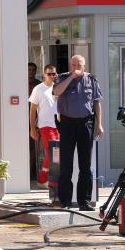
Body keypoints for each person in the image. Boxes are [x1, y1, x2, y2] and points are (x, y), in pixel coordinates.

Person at [52, 55, 103, 211]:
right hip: (67, 123)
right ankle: (65, 201)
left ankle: (84, 201)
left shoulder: (92, 80)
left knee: (85, 165)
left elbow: (97, 103)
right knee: (66, 164)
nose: (75, 67)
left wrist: (99, 124)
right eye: (73, 64)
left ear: (84, 66)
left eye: (78, 65)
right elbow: (56, 92)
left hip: (86, 123)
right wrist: (71, 77)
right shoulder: (62, 78)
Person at [29, 64, 60, 195]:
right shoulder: (38, 89)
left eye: (54, 74)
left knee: (55, 154)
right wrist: (32, 128)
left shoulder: (59, 87)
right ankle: (50, 182)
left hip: (58, 126)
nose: (52, 76)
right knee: (54, 153)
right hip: (45, 126)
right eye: (49, 74)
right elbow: (32, 110)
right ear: (44, 75)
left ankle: (44, 180)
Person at [28, 62, 41, 179]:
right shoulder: (21, 84)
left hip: (36, 119)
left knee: (34, 146)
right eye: (29, 70)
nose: (31, 72)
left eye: (33, 70)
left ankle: (32, 170)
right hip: (23, 119)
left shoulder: (39, 85)